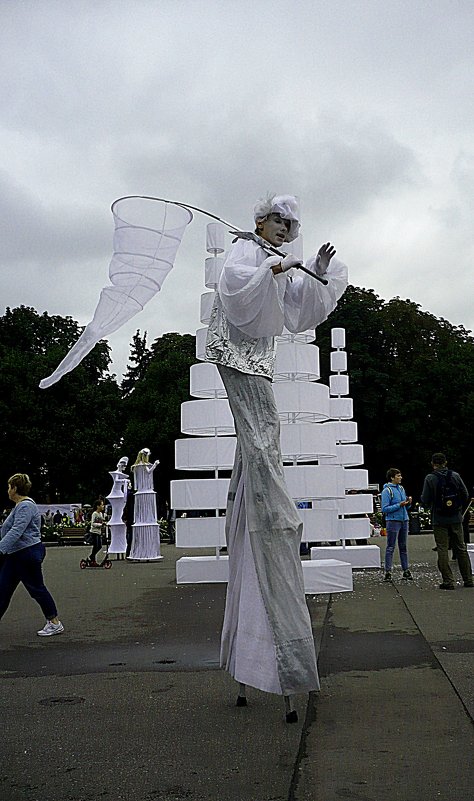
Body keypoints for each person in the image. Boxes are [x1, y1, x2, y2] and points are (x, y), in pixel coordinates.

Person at [205, 193, 348, 720]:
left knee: (263, 440)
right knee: (263, 441)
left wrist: (316, 275)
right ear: (261, 219)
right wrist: (270, 264)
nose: (285, 232)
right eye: (279, 223)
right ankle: (272, 512)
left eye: (291, 227)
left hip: (258, 361)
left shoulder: (272, 256)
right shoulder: (243, 254)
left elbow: (293, 314)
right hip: (235, 355)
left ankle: (265, 504)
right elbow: (238, 293)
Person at [0, 473, 64, 636]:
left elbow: (16, 530)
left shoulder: (25, 506)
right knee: (3, 590)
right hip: (16, 555)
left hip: (25, 554)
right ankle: (53, 621)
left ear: (15, 488)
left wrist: (0, 548)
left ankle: (54, 622)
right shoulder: (20, 506)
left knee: (36, 589)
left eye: (9, 487)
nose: (8, 490)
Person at [420, 453, 472, 589]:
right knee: (461, 547)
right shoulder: (455, 475)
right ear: (446, 462)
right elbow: (465, 494)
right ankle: (468, 579)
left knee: (442, 548)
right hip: (455, 517)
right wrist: (458, 507)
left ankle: (448, 581)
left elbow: (425, 499)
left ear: (433, 463)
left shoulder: (430, 478)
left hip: (439, 518)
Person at [381, 469, 413, 581]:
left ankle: (406, 570)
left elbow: (405, 507)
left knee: (403, 546)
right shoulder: (387, 491)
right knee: (390, 546)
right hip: (393, 520)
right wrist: (399, 505)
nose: (400, 478)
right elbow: (384, 508)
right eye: (398, 476)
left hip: (404, 520)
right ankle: (388, 571)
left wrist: (408, 503)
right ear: (392, 478)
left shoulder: (401, 488)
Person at [88, 498, 107, 565]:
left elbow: (103, 520)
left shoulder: (101, 514)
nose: (103, 506)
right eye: (102, 505)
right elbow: (92, 523)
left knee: (99, 546)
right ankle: (92, 558)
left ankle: (92, 557)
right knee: (96, 546)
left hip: (99, 532)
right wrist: (100, 525)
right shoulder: (95, 514)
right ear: (98, 506)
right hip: (94, 532)